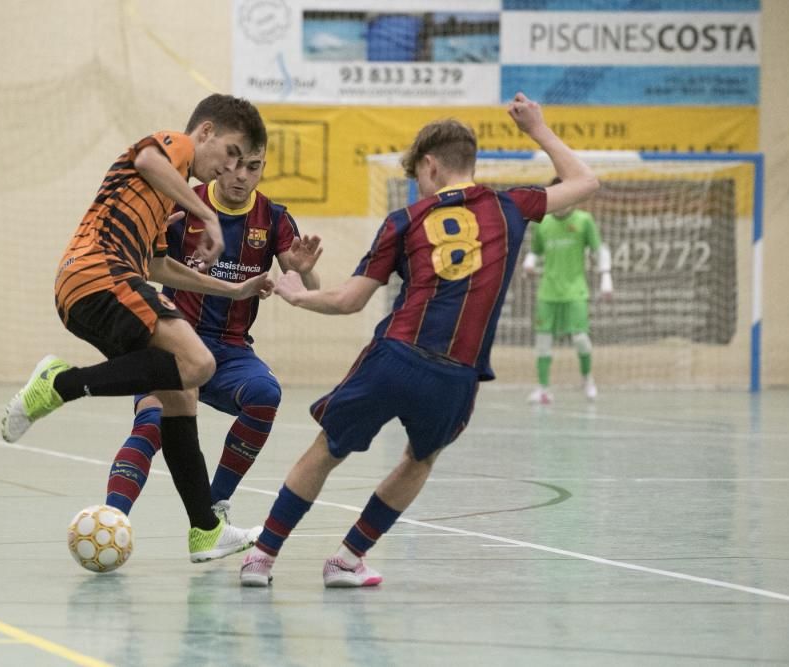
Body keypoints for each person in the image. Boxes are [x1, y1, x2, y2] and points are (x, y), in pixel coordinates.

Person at [238, 92, 599, 588]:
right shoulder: (510, 205)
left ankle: (261, 558)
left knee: (328, 448)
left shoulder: (404, 222)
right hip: (456, 373)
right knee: (420, 459)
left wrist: (297, 295)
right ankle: (347, 560)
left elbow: (349, 301)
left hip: (395, 357)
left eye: (416, 178)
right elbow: (586, 182)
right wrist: (536, 128)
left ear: (430, 166)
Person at [0, 94, 271, 562]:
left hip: (86, 286)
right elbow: (148, 157)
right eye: (229, 153)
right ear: (205, 132)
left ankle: (206, 529)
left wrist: (234, 291)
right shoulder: (173, 146)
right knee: (199, 361)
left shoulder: (165, 198)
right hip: (100, 271)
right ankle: (60, 383)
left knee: (180, 397)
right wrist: (207, 214)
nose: (231, 170)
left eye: (245, 163)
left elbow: (160, 267)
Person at [105, 145, 322, 529]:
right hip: (176, 340)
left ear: (262, 170)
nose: (242, 176)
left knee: (265, 396)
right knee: (151, 418)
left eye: (253, 168)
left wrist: (305, 275)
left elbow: (302, 285)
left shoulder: (273, 218)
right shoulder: (184, 205)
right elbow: (146, 266)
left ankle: (213, 507)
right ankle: (111, 520)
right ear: (221, 165)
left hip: (231, 352)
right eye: (236, 166)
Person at [523, 180, 612, 404]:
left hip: (575, 292)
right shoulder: (542, 223)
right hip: (548, 292)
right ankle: (543, 389)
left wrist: (606, 277)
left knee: (581, 338)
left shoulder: (584, 221)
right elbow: (535, 251)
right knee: (543, 341)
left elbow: (599, 250)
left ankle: (587, 379)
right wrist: (529, 263)